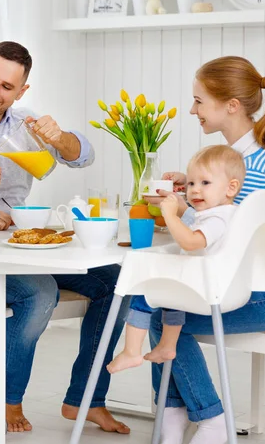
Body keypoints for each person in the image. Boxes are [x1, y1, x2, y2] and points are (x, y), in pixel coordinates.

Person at [0, 41, 131, 434]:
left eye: (7, 87)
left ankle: (86, 399)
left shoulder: (25, 126)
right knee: (41, 293)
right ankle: (6, 401)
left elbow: (82, 155)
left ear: (22, 92)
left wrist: (60, 136)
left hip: (18, 248)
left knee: (117, 285)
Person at [146, 56, 265, 444]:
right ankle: (172, 421)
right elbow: (228, 226)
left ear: (230, 106)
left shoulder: (250, 170)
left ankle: (207, 419)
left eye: (198, 101)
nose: (192, 110)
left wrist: (178, 210)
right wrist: (194, 187)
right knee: (169, 313)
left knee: (165, 319)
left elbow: (210, 245)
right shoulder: (250, 160)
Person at [107, 145, 245, 374]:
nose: (195, 191)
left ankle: (131, 352)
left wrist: (170, 215)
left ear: (231, 188)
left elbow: (190, 242)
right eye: (191, 183)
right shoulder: (228, 213)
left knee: (143, 289)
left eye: (205, 183)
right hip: (214, 286)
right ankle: (167, 346)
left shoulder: (216, 219)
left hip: (205, 290)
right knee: (171, 292)